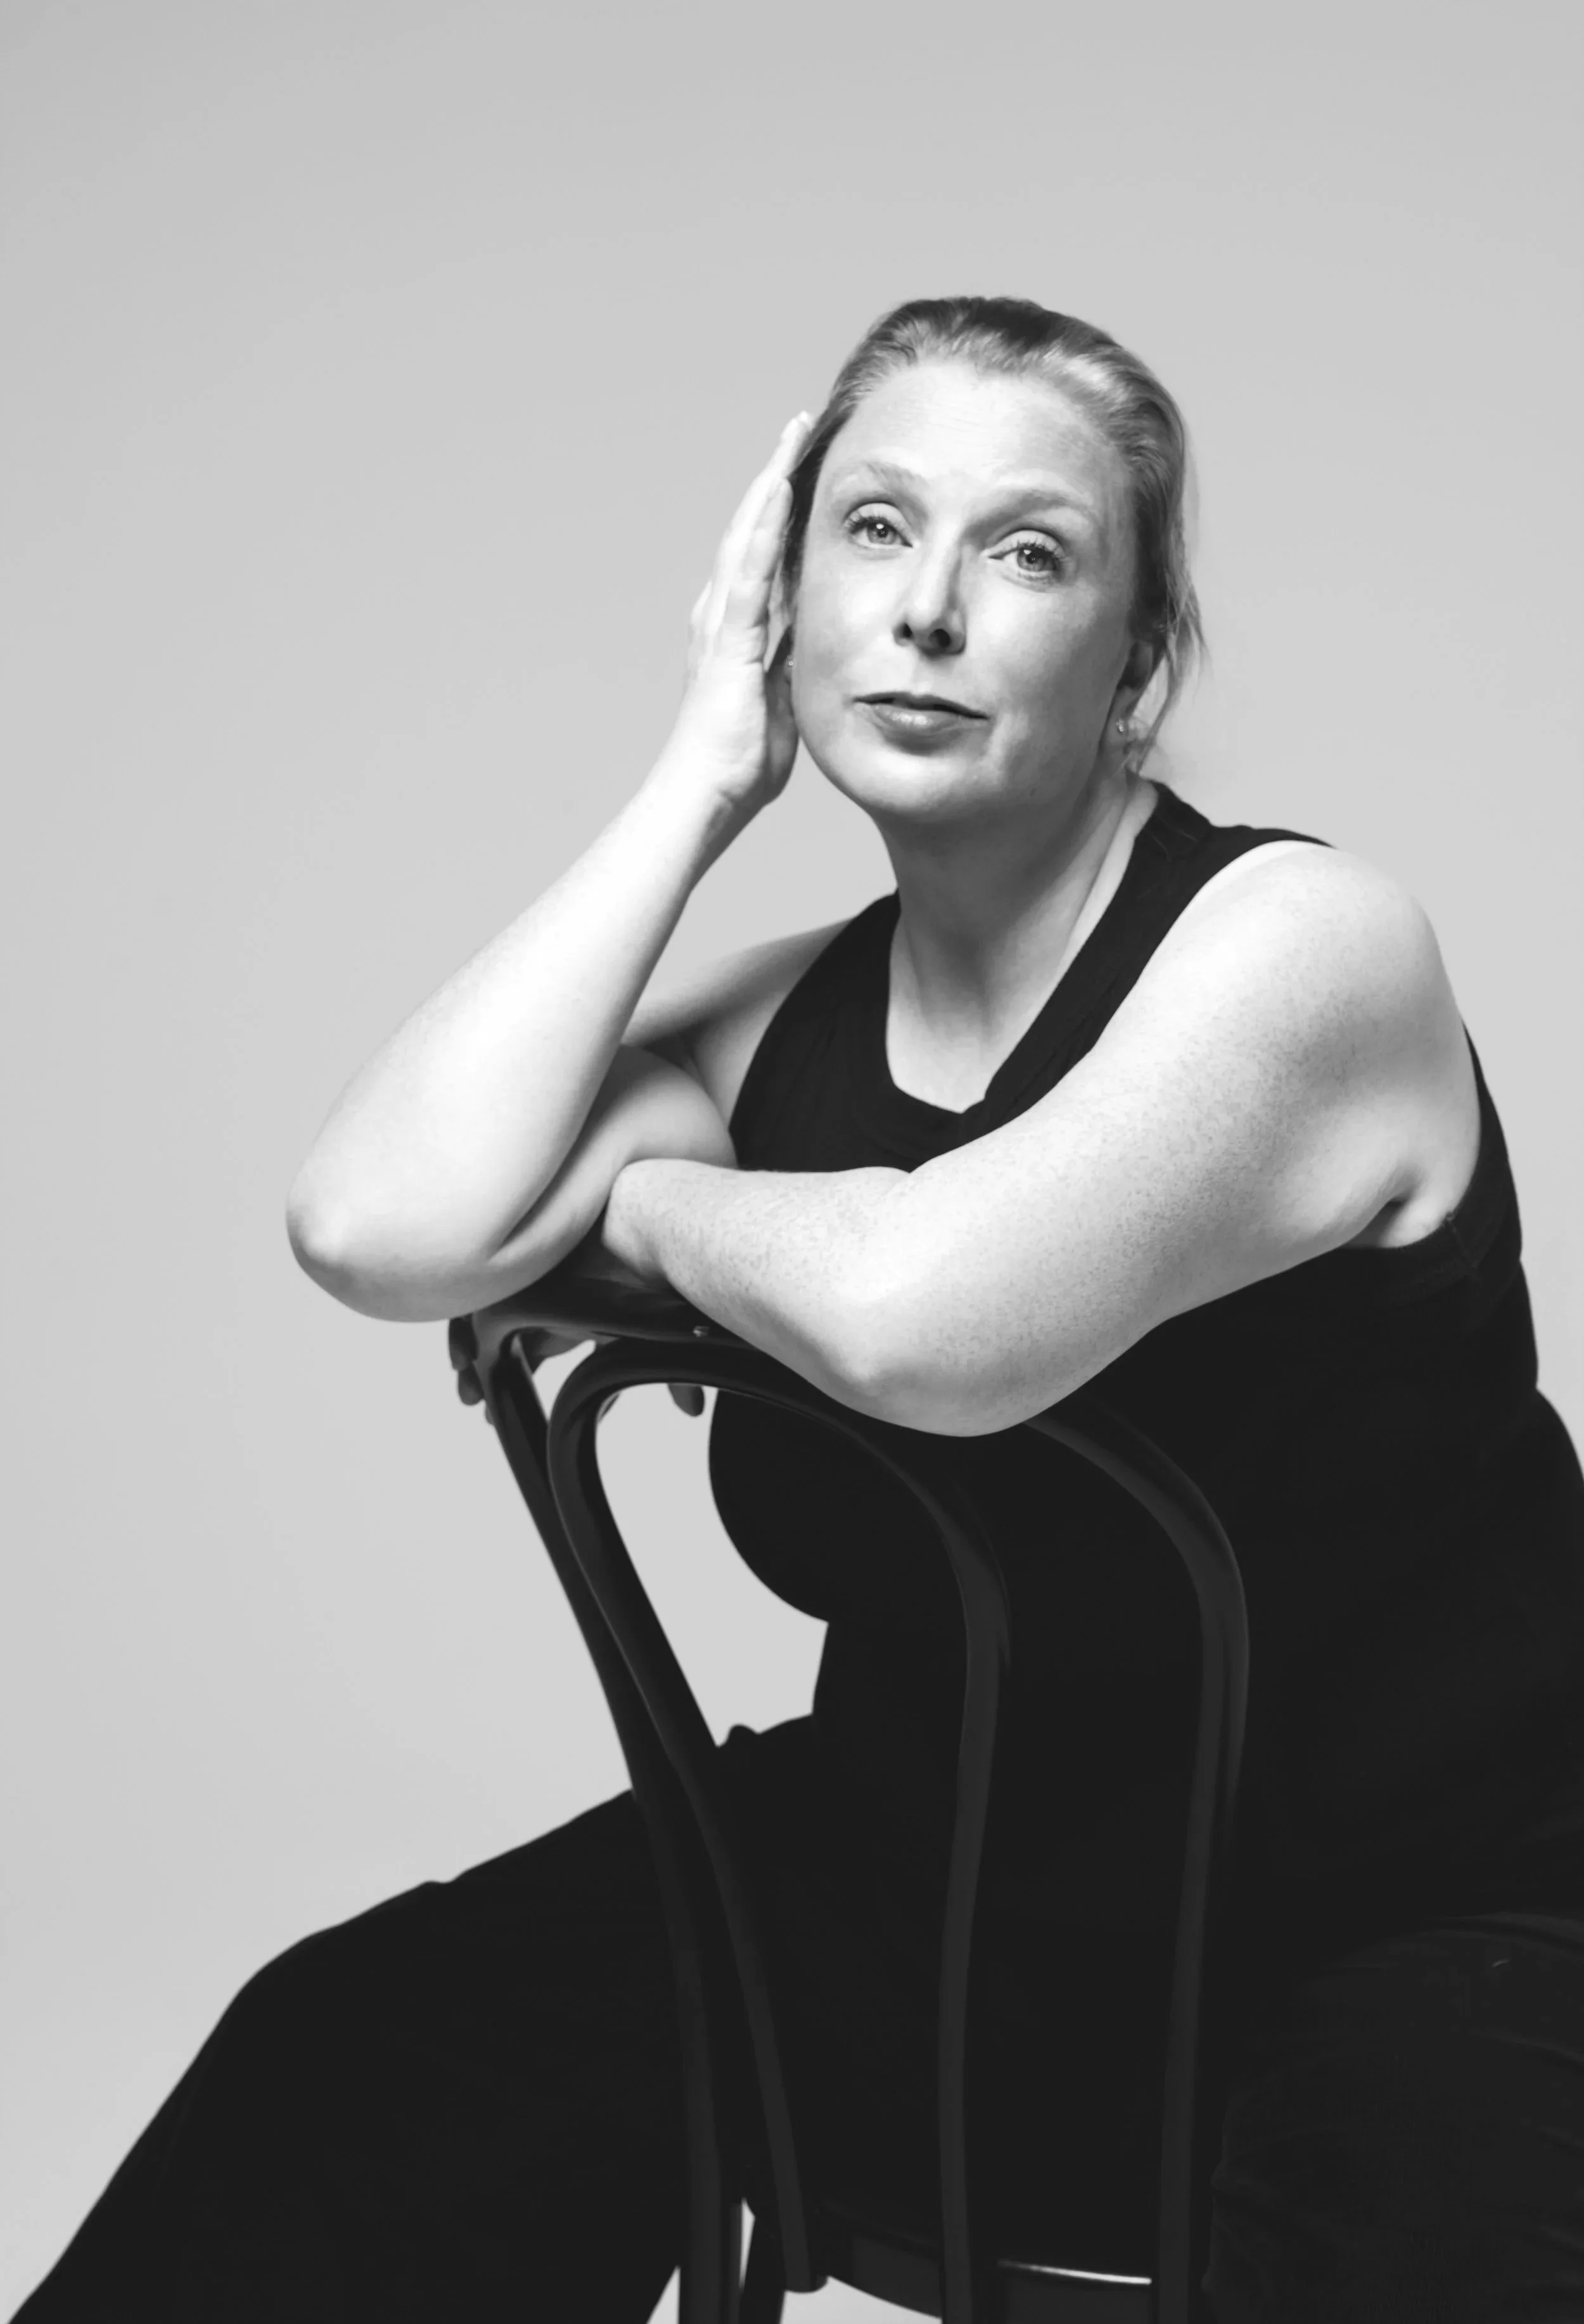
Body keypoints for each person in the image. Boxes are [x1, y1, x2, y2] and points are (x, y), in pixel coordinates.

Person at [18, 295, 1584, 2324]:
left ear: (1136, 659)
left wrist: (647, 1208)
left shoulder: (1305, 949)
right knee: (351, 2066)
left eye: (1025, 552)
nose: (927, 609)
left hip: (1431, 1907)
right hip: (940, 1893)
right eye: (871, 529)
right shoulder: (787, 1019)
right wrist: (700, 772)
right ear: (779, 589)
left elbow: (932, 1325)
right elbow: (374, 1220)